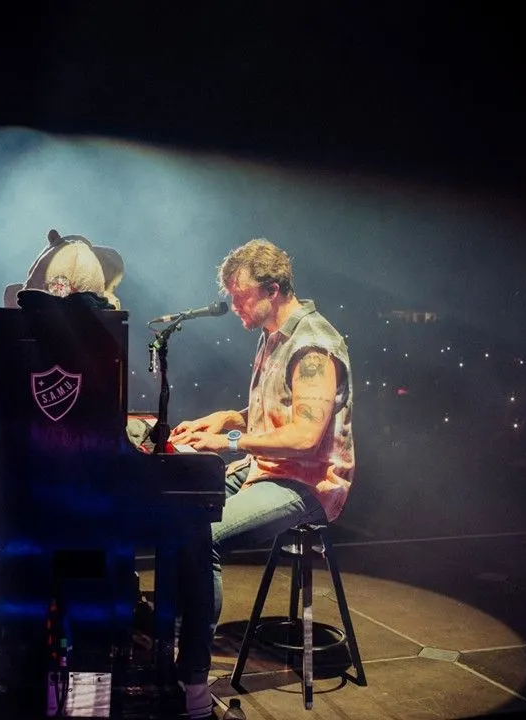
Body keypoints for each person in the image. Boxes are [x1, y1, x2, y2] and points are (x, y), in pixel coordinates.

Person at [168, 238, 356, 719]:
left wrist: (229, 443)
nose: (234, 306)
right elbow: (275, 413)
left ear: (273, 290)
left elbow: (305, 437)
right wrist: (226, 419)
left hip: (307, 484)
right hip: (264, 470)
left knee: (204, 535)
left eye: (241, 296)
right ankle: (173, 651)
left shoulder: (313, 345)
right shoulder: (274, 335)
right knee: (177, 510)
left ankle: (193, 686)